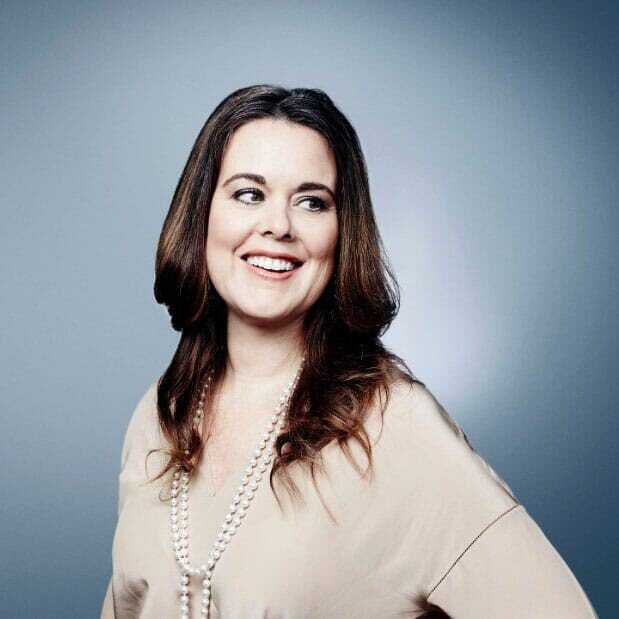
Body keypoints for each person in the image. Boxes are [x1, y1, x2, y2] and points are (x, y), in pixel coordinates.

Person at [100, 84, 598, 618]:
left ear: (342, 234)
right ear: (201, 213)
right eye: (248, 194)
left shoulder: (392, 425)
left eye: (312, 202)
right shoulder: (161, 413)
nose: (278, 225)